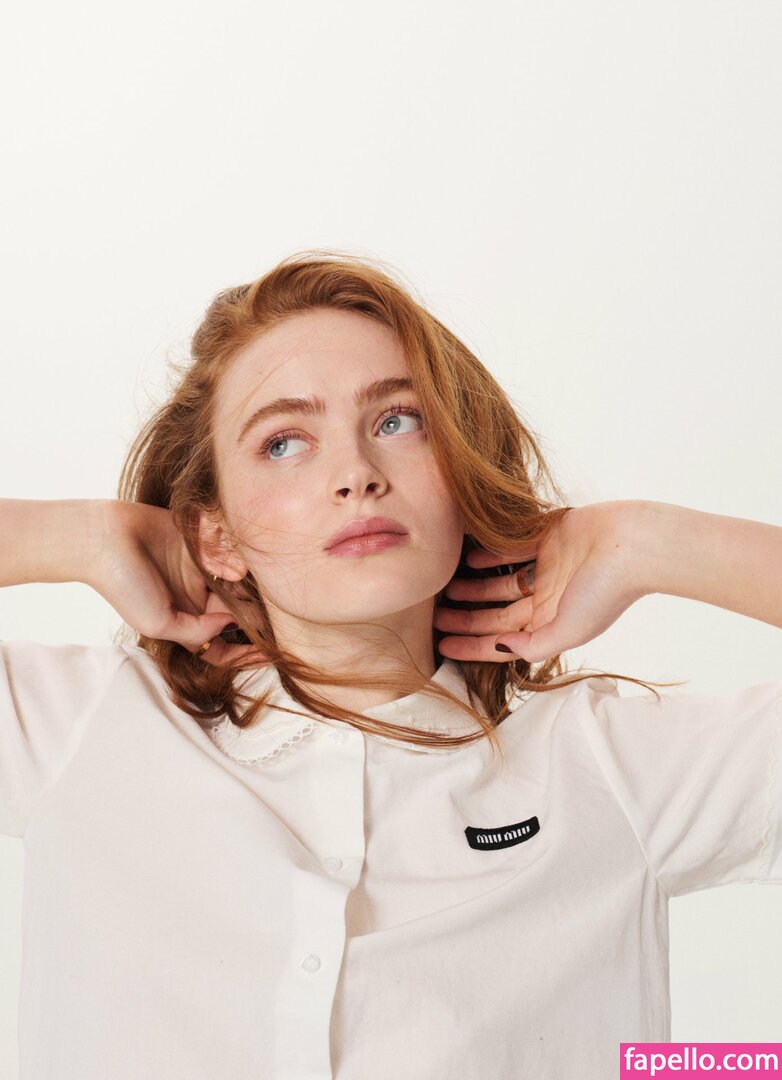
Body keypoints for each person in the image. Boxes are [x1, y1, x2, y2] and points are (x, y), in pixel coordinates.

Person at [1, 250, 780, 1080]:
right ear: (216, 536)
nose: (356, 475)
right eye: (283, 442)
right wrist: (72, 537)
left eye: (398, 422)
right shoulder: (77, 727)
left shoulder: (611, 768)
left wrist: (652, 543)